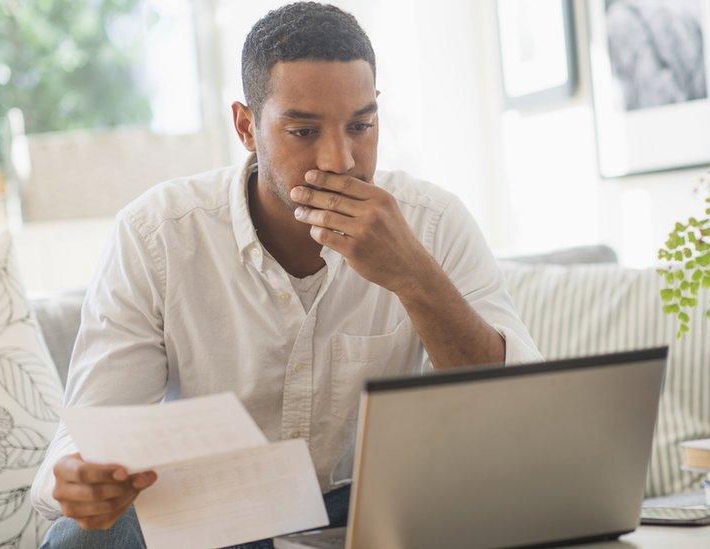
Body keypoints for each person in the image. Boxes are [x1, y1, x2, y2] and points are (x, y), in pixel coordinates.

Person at [33, 2, 541, 547]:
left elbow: (515, 415)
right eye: (303, 130)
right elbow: (88, 432)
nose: (341, 159)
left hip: (370, 509)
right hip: (215, 515)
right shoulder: (157, 234)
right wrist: (81, 480)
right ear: (247, 126)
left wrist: (414, 277)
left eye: (361, 126)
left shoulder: (433, 223)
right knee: (81, 539)